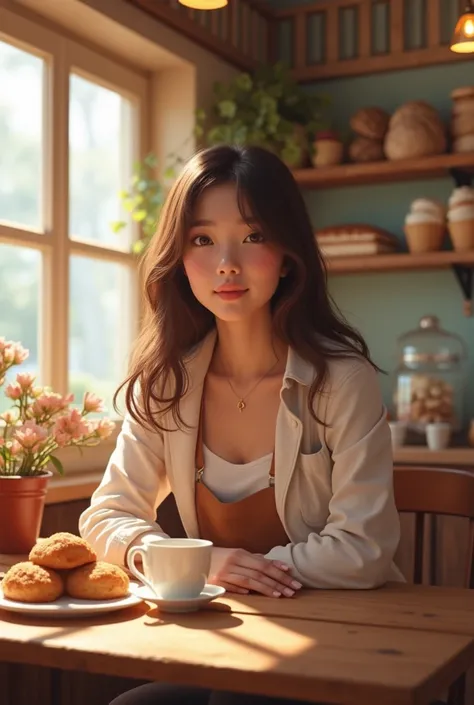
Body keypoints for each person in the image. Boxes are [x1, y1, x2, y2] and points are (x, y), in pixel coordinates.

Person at [79, 144, 403, 705]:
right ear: (179, 258)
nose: (226, 263)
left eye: (252, 236)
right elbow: (106, 515)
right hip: (226, 643)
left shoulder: (341, 380)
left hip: (353, 644)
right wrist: (197, 563)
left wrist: (235, 571)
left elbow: (364, 547)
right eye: (202, 240)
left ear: (287, 253)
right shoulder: (167, 383)